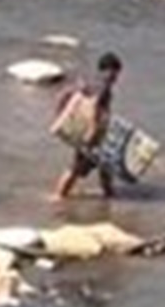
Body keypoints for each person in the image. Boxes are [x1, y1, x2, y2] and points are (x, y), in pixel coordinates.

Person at [52, 52, 123, 201]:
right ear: (109, 70)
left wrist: (60, 115)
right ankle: (58, 196)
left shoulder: (89, 81)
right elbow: (94, 106)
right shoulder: (103, 85)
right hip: (92, 134)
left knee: (105, 166)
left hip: (88, 131)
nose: (117, 77)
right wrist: (92, 131)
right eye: (116, 72)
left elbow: (65, 94)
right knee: (77, 167)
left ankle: (109, 195)